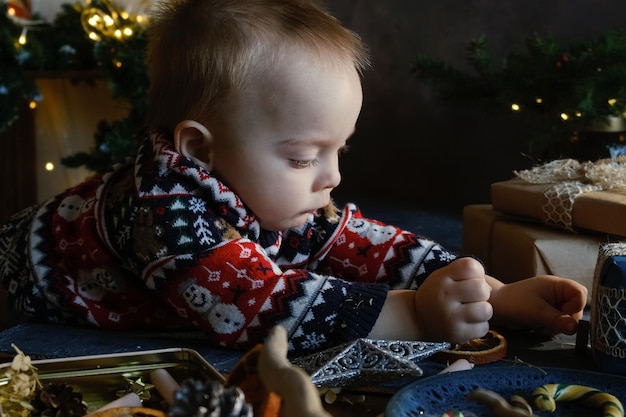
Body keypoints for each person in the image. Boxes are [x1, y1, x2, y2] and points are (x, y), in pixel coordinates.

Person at [0, 0, 587, 353]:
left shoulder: (266, 192)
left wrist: (492, 293)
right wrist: (417, 314)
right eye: (306, 157)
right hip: (18, 284)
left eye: (340, 151)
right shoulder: (164, 214)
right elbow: (257, 307)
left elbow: (359, 243)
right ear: (200, 150)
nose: (330, 177)